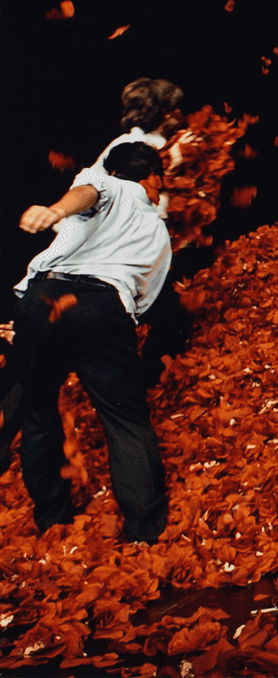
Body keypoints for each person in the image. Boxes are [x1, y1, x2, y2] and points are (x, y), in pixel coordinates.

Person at [11, 142, 173, 543]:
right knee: (125, 419)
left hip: (41, 299)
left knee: (37, 412)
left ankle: (52, 522)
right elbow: (89, 191)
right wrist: (57, 210)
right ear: (153, 177)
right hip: (100, 305)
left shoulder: (125, 205)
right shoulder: (126, 195)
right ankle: (142, 532)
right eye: (160, 183)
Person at [93, 78, 185, 218]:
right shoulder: (137, 145)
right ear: (166, 113)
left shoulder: (137, 141)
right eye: (176, 107)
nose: (180, 113)